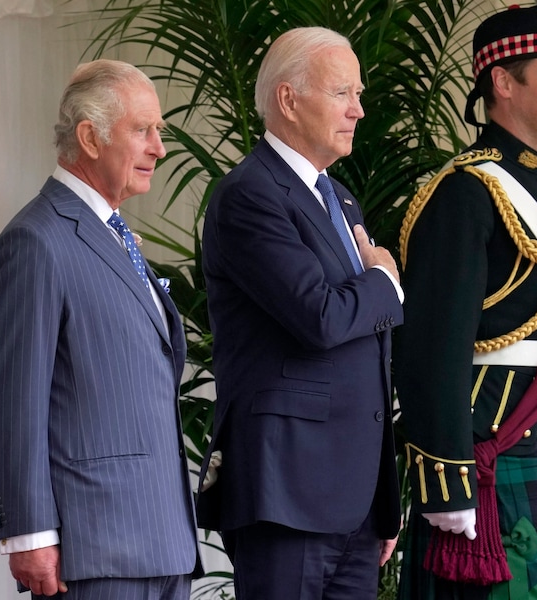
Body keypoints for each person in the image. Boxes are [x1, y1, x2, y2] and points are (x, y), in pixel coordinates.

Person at [394, 1, 537, 599]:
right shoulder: (465, 194)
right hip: (491, 454)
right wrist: (447, 481)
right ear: (503, 81)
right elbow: (431, 351)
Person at [0, 59, 199, 599]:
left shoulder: (115, 234)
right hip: (94, 552)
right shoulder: (36, 242)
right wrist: (29, 534)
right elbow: (13, 401)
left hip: (163, 544)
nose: (159, 148)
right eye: (143, 130)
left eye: (160, 132)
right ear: (89, 137)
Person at [195, 26, 404, 600]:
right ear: (289, 100)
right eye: (343, 93)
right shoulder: (249, 194)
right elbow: (321, 318)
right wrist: (385, 281)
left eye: (358, 94)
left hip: (356, 502)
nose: (359, 110)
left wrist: (380, 498)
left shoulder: (339, 198)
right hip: (287, 494)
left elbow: (363, 348)